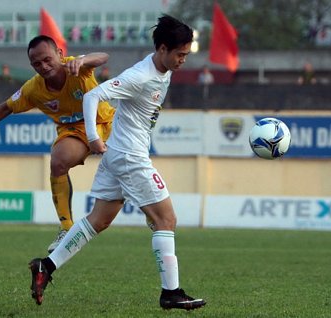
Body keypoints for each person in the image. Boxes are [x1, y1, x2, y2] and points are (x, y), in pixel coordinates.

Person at [29, 15, 206, 311]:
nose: (183, 60)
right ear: (163, 49)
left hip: (119, 154)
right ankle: (171, 293)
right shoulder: (141, 76)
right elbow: (93, 96)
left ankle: (45, 266)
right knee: (166, 220)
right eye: (180, 54)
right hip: (129, 156)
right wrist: (93, 136)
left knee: (98, 221)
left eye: (186, 55)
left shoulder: (163, 68)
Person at [0, 35, 115, 253]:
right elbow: (4, 108)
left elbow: (103, 57)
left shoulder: (76, 66)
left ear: (60, 54)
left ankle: (154, 213)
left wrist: (83, 60)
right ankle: (66, 228)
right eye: (37, 63)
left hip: (108, 124)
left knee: (134, 173)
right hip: (76, 133)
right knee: (58, 161)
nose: (44, 66)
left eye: (47, 59)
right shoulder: (34, 89)